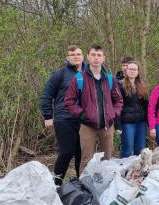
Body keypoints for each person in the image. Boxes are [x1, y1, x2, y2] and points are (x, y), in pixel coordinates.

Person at [64, 44, 123, 171]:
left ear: (103, 58)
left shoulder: (110, 79)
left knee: (107, 160)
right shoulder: (79, 78)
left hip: (107, 126)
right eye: (93, 55)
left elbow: (118, 100)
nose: (96, 58)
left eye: (99, 55)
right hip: (87, 126)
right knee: (86, 161)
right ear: (88, 57)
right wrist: (82, 115)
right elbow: (68, 102)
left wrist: (113, 114)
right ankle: (85, 188)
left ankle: (105, 188)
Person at [40, 45, 85, 185]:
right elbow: (47, 95)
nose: (76, 56)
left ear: (83, 56)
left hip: (84, 119)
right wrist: (48, 116)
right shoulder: (59, 74)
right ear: (67, 58)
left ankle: (80, 182)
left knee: (81, 153)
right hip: (64, 118)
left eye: (78, 54)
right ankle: (56, 182)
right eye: (72, 55)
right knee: (67, 150)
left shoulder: (88, 73)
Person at [117, 61, 148, 158]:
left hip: (141, 122)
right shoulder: (120, 85)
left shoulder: (142, 85)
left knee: (140, 149)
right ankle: (122, 171)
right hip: (127, 122)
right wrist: (117, 124)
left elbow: (146, 104)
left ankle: (136, 172)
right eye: (130, 69)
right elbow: (117, 106)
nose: (132, 71)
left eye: (134, 69)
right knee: (127, 149)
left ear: (138, 72)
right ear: (126, 71)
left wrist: (150, 122)